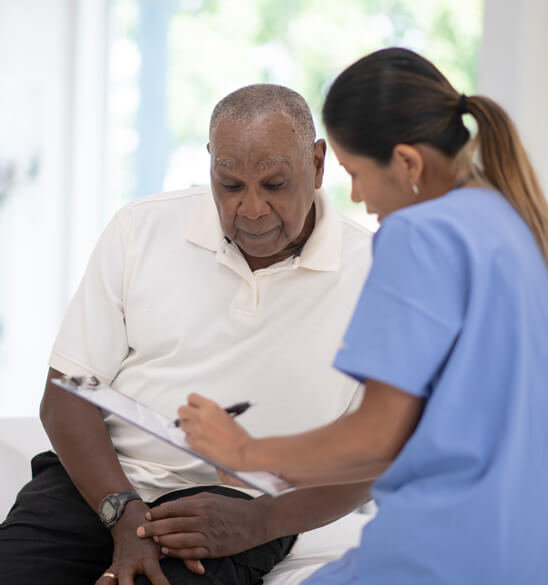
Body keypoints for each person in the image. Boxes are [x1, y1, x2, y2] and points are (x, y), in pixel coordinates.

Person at [178, 48, 548, 585]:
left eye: (355, 173)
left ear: (407, 164)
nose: (355, 196)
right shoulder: (513, 223)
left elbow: (377, 436)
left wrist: (243, 450)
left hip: (438, 554)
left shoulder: (420, 234)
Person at [0, 84, 374, 585]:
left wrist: (261, 520)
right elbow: (67, 395)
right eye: (231, 185)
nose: (253, 208)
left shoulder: (380, 274)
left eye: (275, 184)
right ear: (210, 166)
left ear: (319, 163)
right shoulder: (141, 228)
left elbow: (378, 457)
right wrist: (123, 513)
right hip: (101, 485)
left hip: (237, 505)